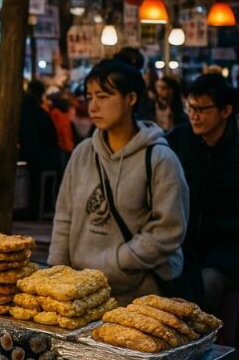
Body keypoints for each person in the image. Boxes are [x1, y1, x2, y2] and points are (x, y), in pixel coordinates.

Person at [49, 58, 189, 301]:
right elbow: (64, 218)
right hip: (81, 293)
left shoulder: (159, 158)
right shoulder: (83, 153)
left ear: (131, 99)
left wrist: (120, 261)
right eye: (90, 97)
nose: (93, 106)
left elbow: (168, 229)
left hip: (139, 296)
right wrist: (57, 274)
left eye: (103, 97)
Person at [168, 74, 239, 314]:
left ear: (226, 111)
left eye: (202, 109)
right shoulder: (179, 139)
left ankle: (208, 346)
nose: (194, 115)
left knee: (208, 283)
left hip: (227, 249)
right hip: (183, 242)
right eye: (191, 107)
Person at [19, 80, 60, 218]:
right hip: (41, 156)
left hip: (25, 154)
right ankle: (39, 209)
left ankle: (33, 210)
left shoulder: (21, 111)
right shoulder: (40, 112)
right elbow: (52, 136)